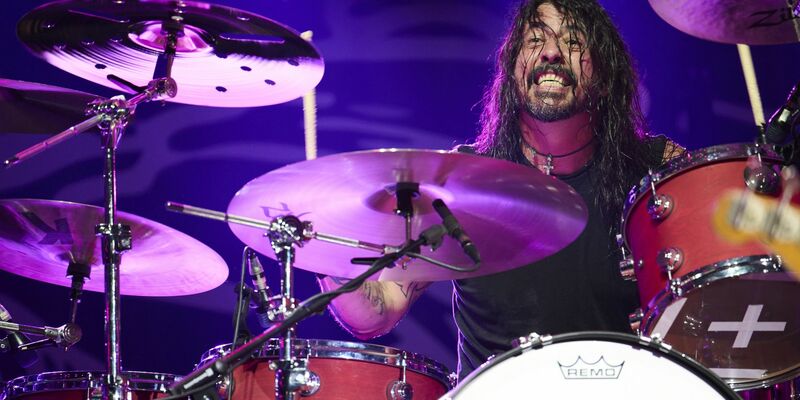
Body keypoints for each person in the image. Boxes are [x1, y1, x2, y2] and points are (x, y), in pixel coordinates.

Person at [316, 0, 683, 379]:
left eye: (573, 41)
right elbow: (379, 309)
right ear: (511, 69)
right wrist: (322, 250)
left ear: (604, 74)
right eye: (535, 39)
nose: (552, 53)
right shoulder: (460, 185)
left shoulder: (654, 171)